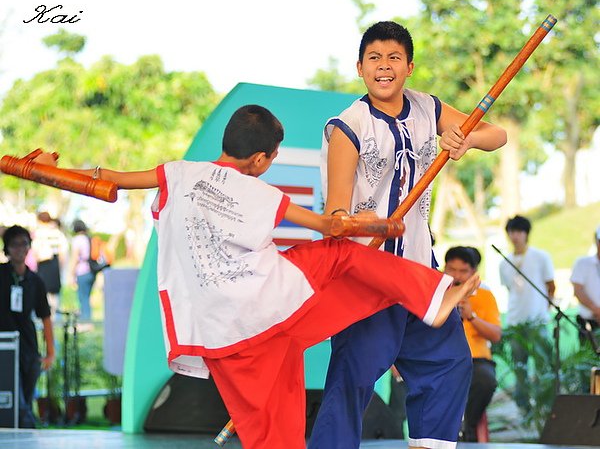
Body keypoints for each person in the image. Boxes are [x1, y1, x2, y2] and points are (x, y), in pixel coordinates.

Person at [32, 104, 479, 449]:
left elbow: (105, 179)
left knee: (273, 438)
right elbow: (331, 228)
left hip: (222, 337)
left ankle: (426, 295)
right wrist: (379, 226)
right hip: (273, 312)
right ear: (262, 158)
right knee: (341, 256)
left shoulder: (176, 174)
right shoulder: (258, 191)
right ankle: (431, 293)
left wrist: (46, 169)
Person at [309, 21, 507, 449]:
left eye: (394, 57)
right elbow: (335, 215)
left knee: (451, 363)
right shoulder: (347, 127)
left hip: (419, 273)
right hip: (367, 276)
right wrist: (370, 224)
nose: (384, 66)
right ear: (360, 67)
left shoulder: (426, 108)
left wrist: (466, 141)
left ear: (409, 66)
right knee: (352, 378)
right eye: (375, 58)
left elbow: (498, 134)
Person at [444, 246, 502, 442]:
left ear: (474, 274)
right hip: (443, 357)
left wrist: (472, 317)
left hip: (476, 359)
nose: (456, 275)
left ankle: (466, 428)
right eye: (451, 269)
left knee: (486, 380)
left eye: (463, 271)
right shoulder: (438, 293)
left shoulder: (485, 296)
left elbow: (496, 335)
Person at [0, 225, 55, 427]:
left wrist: (50, 352)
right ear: (7, 248)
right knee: (18, 405)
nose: (19, 249)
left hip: (29, 349)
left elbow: (46, 317)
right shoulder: (2, 274)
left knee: (26, 398)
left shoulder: (35, 281)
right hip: (4, 347)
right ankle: (29, 431)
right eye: (14, 244)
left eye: (23, 243)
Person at [499, 214, 555, 414]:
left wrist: (544, 309)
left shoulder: (541, 256)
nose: (515, 236)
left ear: (526, 233)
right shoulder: (504, 263)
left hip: (537, 319)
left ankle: (545, 406)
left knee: (543, 365)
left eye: (519, 231)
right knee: (519, 367)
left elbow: (551, 286)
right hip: (515, 320)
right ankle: (524, 408)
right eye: (512, 231)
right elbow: (510, 289)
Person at [31, 212, 69, 318]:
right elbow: (63, 252)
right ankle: (53, 317)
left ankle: (45, 317)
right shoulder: (57, 233)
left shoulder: (39, 233)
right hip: (54, 265)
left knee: (42, 292)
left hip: (43, 265)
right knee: (54, 295)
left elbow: (35, 251)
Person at [570, 226, 600, 345]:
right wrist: (597, 310)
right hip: (588, 322)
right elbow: (578, 291)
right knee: (588, 361)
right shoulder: (583, 263)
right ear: (596, 242)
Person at [69, 219, 96, 322]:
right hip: (92, 271)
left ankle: (86, 322)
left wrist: (71, 274)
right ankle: (88, 319)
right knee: (87, 297)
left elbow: (74, 258)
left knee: (82, 298)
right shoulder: (88, 238)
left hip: (82, 271)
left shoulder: (77, 240)